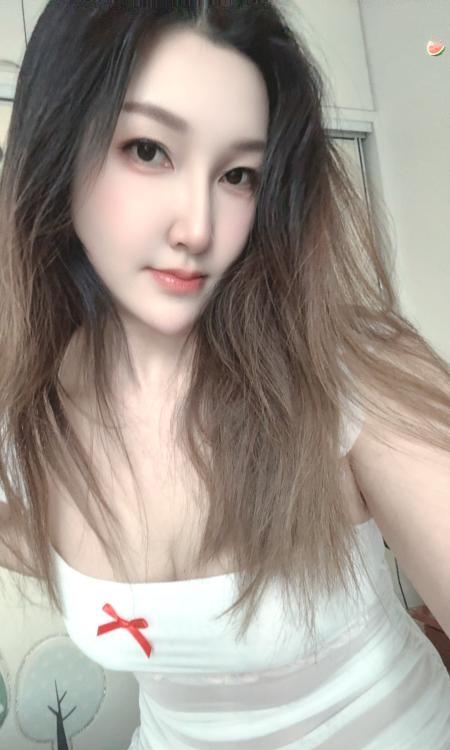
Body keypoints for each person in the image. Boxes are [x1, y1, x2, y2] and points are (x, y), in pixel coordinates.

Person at [0, 2, 449, 748]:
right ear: (57, 148)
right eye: (149, 150)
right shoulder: (29, 412)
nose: (199, 228)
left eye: (238, 174)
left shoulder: (348, 370)